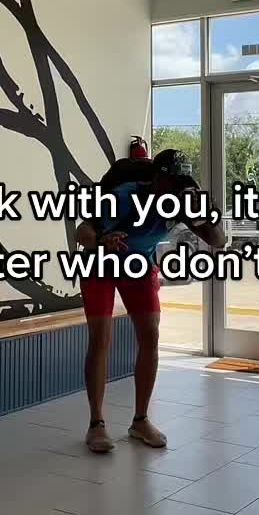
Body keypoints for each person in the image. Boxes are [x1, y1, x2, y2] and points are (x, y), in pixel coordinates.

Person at [75, 149, 226, 453]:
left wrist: (204, 215)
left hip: (139, 265)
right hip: (100, 263)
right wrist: (102, 240)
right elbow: (83, 231)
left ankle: (140, 420)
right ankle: (96, 423)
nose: (175, 187)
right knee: (101, 338)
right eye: (171, 181)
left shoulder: (182, 202)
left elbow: (219, 242)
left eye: (181, 182)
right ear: (157, 178)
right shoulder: (125, 195)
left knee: (150, 336)